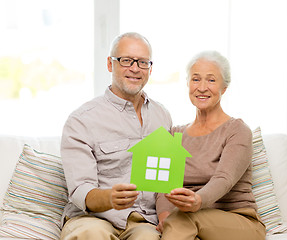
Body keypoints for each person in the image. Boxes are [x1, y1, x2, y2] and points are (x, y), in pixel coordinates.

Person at [60, 32, 172, 240]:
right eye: (126, 60)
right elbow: (79, 190)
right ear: (111, 64)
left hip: (144, 221)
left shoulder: (162, 116)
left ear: (150, 68)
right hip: (92, 218)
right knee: (91, 235)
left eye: (143, 62)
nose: (135, 68)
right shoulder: (81, 120)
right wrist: (109, 198)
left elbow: (164, 180)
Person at [155, 51, 266, 240]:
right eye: (196, 79)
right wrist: (165, 216)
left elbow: (224, 178)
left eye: (211, 80)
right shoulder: (175, 134)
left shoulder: (237, 130)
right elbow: (163, 185)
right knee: (178, 221)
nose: (202, 87)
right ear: (188, 84)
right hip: (187, 220)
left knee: (181, 220)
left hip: (238, 220)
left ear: (224, 88)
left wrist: (197, 201)